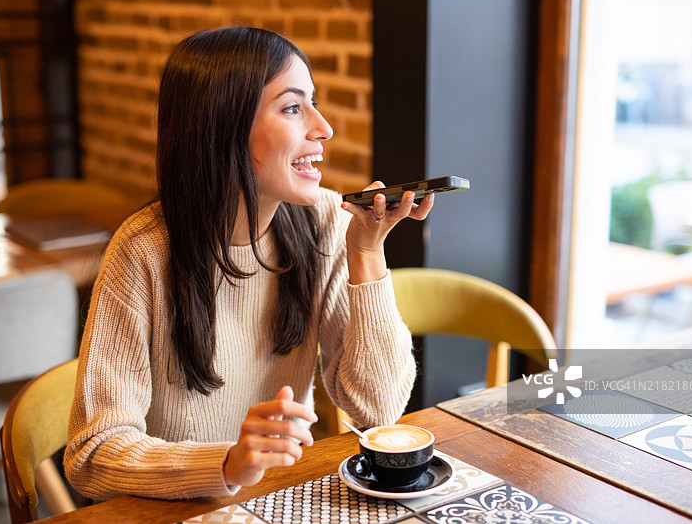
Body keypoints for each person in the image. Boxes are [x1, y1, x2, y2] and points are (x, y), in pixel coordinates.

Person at [64, 26, 435, 501]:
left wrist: (366, 253)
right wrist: (227, 462)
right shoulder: (143, 252)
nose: (323, 128)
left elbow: (379, 410)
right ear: (224, 127)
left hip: (281, 500)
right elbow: (92, 455)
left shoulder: (326, 221)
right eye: (292, 108)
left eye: (313, 103)